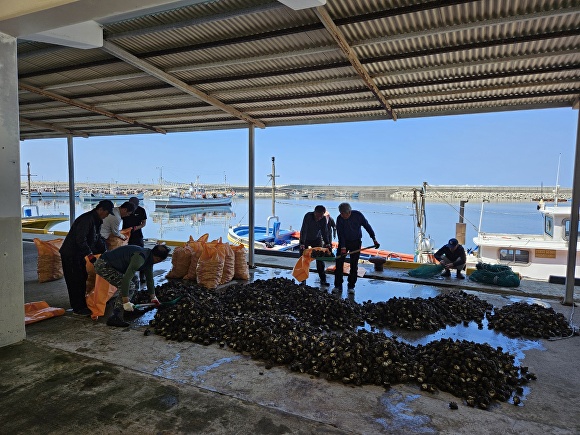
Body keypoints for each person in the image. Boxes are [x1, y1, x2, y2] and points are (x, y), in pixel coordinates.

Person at [94, 244, 171, 327]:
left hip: (114, 266)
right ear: (158, 259)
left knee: (135, 280)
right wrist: (125, 301)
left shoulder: (149, 258)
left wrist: (153, 297)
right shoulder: (140, 258)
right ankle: (116, 316)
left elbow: (150, 279)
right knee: (130, 286)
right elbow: (126, 280)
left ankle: (130, 308)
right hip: (104, 265)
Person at [59, 200, 113, 316]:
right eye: (107, 213)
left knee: (82, 278)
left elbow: (97, 238)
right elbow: (81, 240)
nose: (107, 216)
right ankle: (77, 308)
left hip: (79, 255)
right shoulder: (86, 219)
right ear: (101, 209)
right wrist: (90, 255)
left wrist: (105, 251)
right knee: (74, 280)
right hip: (71, 254)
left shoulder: (97, 220)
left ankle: (81, 304)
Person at [333, 203, 379, 295]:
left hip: (356, 242)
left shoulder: (358, 215)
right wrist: (343, 247)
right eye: (341, 213)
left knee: (354, 265)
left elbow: (367, 226)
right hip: (344, 242)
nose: (342, 215)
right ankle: (338, 285)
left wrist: (374, 239)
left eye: (343, 214)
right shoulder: (339, 218)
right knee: (339, 264)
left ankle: (351, 286)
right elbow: (340, 234)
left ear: (349, 212)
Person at [299, 205, 333, 286]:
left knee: (320, 259)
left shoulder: (323, 219)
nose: (319, 218)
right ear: (314, 212)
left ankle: (323, 280)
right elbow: (304, 229)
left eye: (321, 216)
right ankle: (303, 280)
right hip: (305, 239)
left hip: (316, 239)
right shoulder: (308, 216)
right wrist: (302, 243)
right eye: (318, 216)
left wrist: (327, 243)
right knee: (303, 259)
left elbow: (324, 231)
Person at [122, 196, 148, 282]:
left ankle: (142, 275)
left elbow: (144, 223)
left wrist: (137, 227)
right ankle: (127, 275)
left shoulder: (141, 210)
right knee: (126, 254)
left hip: (137, 235)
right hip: (126, 235)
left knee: (142, 254)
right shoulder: (124, 209)